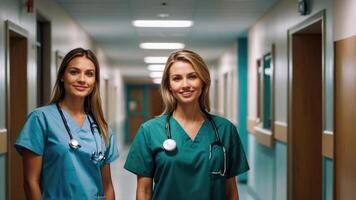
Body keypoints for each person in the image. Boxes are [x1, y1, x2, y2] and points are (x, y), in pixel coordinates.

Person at [124, 49, 249, 200]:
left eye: (192, 77)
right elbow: (143, 191)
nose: (185, 85)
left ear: (203, 81)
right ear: (169, 86)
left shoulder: (225, 129)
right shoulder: (149, 131)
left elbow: (231, 191)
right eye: (177, 78)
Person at [15, 48, 119, 199]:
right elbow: (31, 182)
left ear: (95, 82)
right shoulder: (41, 119)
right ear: (62, 76)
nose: (82, 79)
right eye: (74, 72)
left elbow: (107, 185)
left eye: (89, 74)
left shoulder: (102, 128)